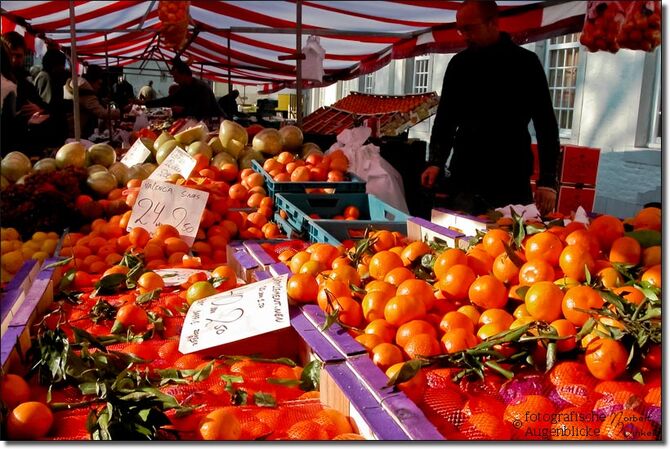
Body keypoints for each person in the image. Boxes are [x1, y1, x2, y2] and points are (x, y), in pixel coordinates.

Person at [420, 0, 560, 216]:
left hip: (511, 175)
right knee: (459, 244)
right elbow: (446, 119)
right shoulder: (459, 65)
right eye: (461, 29)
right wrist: (436, 161)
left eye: (470, 28)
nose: (464, 35)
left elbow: (546, 124)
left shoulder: (525, 63)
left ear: (493, 23)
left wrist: (548, 181)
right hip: (466, 176)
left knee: (509, 243)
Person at [143, 58, 222, 119]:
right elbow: (170, 100)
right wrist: (145, 103)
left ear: (184, 74)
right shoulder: (185, 87)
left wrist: (183, 110)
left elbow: (203, 110)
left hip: (215, 123)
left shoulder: (201, 87)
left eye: (176, 76)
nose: (174, 80)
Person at [63, 65, 120, 138]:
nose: (99, 87)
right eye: (99, 83)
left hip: (67, 126)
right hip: (74, 132)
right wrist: (119, 111)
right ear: (94, 80)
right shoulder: (86, 90)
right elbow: (102, 113)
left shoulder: (75, 84)